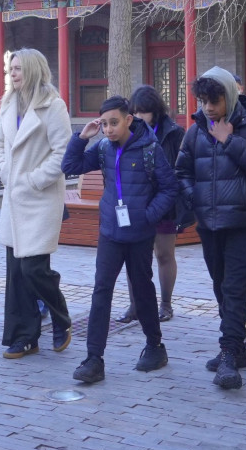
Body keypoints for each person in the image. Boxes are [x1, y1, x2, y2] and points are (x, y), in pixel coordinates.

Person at [61, 96, 179, 385]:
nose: (109, 129)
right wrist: (82, 137)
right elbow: (70, 165)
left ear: (128, 120)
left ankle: (155, 346)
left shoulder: (150, 149)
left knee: (142, 289)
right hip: (110, 233)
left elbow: (169, 187)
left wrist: (148, 216)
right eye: (104, 124)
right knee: (101, 291)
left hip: (139, 234)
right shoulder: (103, 147)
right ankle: (94, 359)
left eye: (114, 123)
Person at [175, 66, 246, 390]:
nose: (208, 108)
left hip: (244, 224)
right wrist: (195, 199)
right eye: (203, 101)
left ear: (228, 98)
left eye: (214, 101)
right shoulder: (195, 132)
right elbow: (182, 172)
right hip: (210, 225)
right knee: (220, 286)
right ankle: (238, 348)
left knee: (234, 288)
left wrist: (229, 140)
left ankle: (229, 354)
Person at [0, 49, 74, 359]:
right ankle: (24, 337)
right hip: (14, 198)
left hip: (40, 198)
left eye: (18, 69)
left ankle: (61, 317)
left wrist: (34, 179)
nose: (12, 74)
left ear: (34, 70)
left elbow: (63, 153)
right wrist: (4, 171)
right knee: (16, 271)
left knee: (33, 268)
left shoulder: (53, 106)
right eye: (10, 69)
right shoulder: (8, 103)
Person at [121, 85, 185, 323]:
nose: (138, 117)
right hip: (136, 203)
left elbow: (180, 169)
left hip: (164, 205)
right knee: (134, 256)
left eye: (144, 112)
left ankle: (166, 305)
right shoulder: (127, 133)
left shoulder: (173, 133)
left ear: (155, 111)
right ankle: (135, 305)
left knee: (164, 255)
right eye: (135, 112)